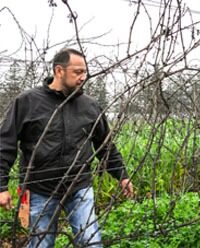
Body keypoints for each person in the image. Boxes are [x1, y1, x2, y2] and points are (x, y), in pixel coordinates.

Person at [0, 48, 134, 247]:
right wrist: (1, 185)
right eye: (77, 72)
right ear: (59, 71)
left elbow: (105, 146)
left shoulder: (90, 106)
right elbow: (5, 144)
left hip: (80, 186)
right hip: (39, 189)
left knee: (91, 243)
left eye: (85, 72)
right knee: (41, 244)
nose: (83, 77)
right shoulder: (27, 102)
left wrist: (122, 175)